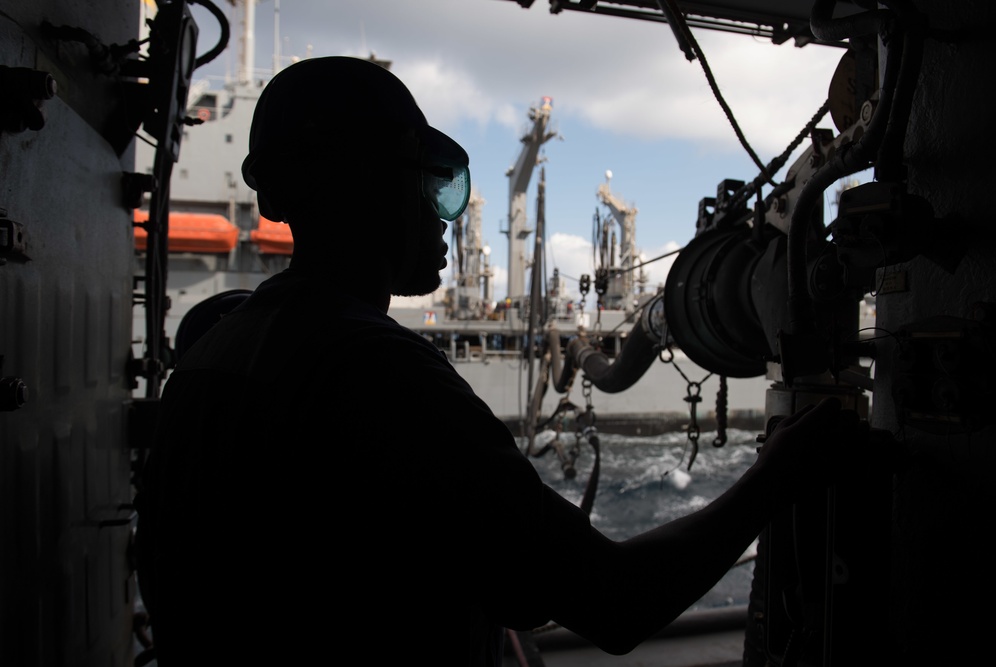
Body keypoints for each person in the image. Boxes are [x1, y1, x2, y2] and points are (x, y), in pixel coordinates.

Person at [134, 56, 863, 666]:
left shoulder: (207, 360)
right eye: (434, 179)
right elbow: (614, 601)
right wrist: (778, 477)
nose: (446, 213)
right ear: (368, 184)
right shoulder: (381, 373)